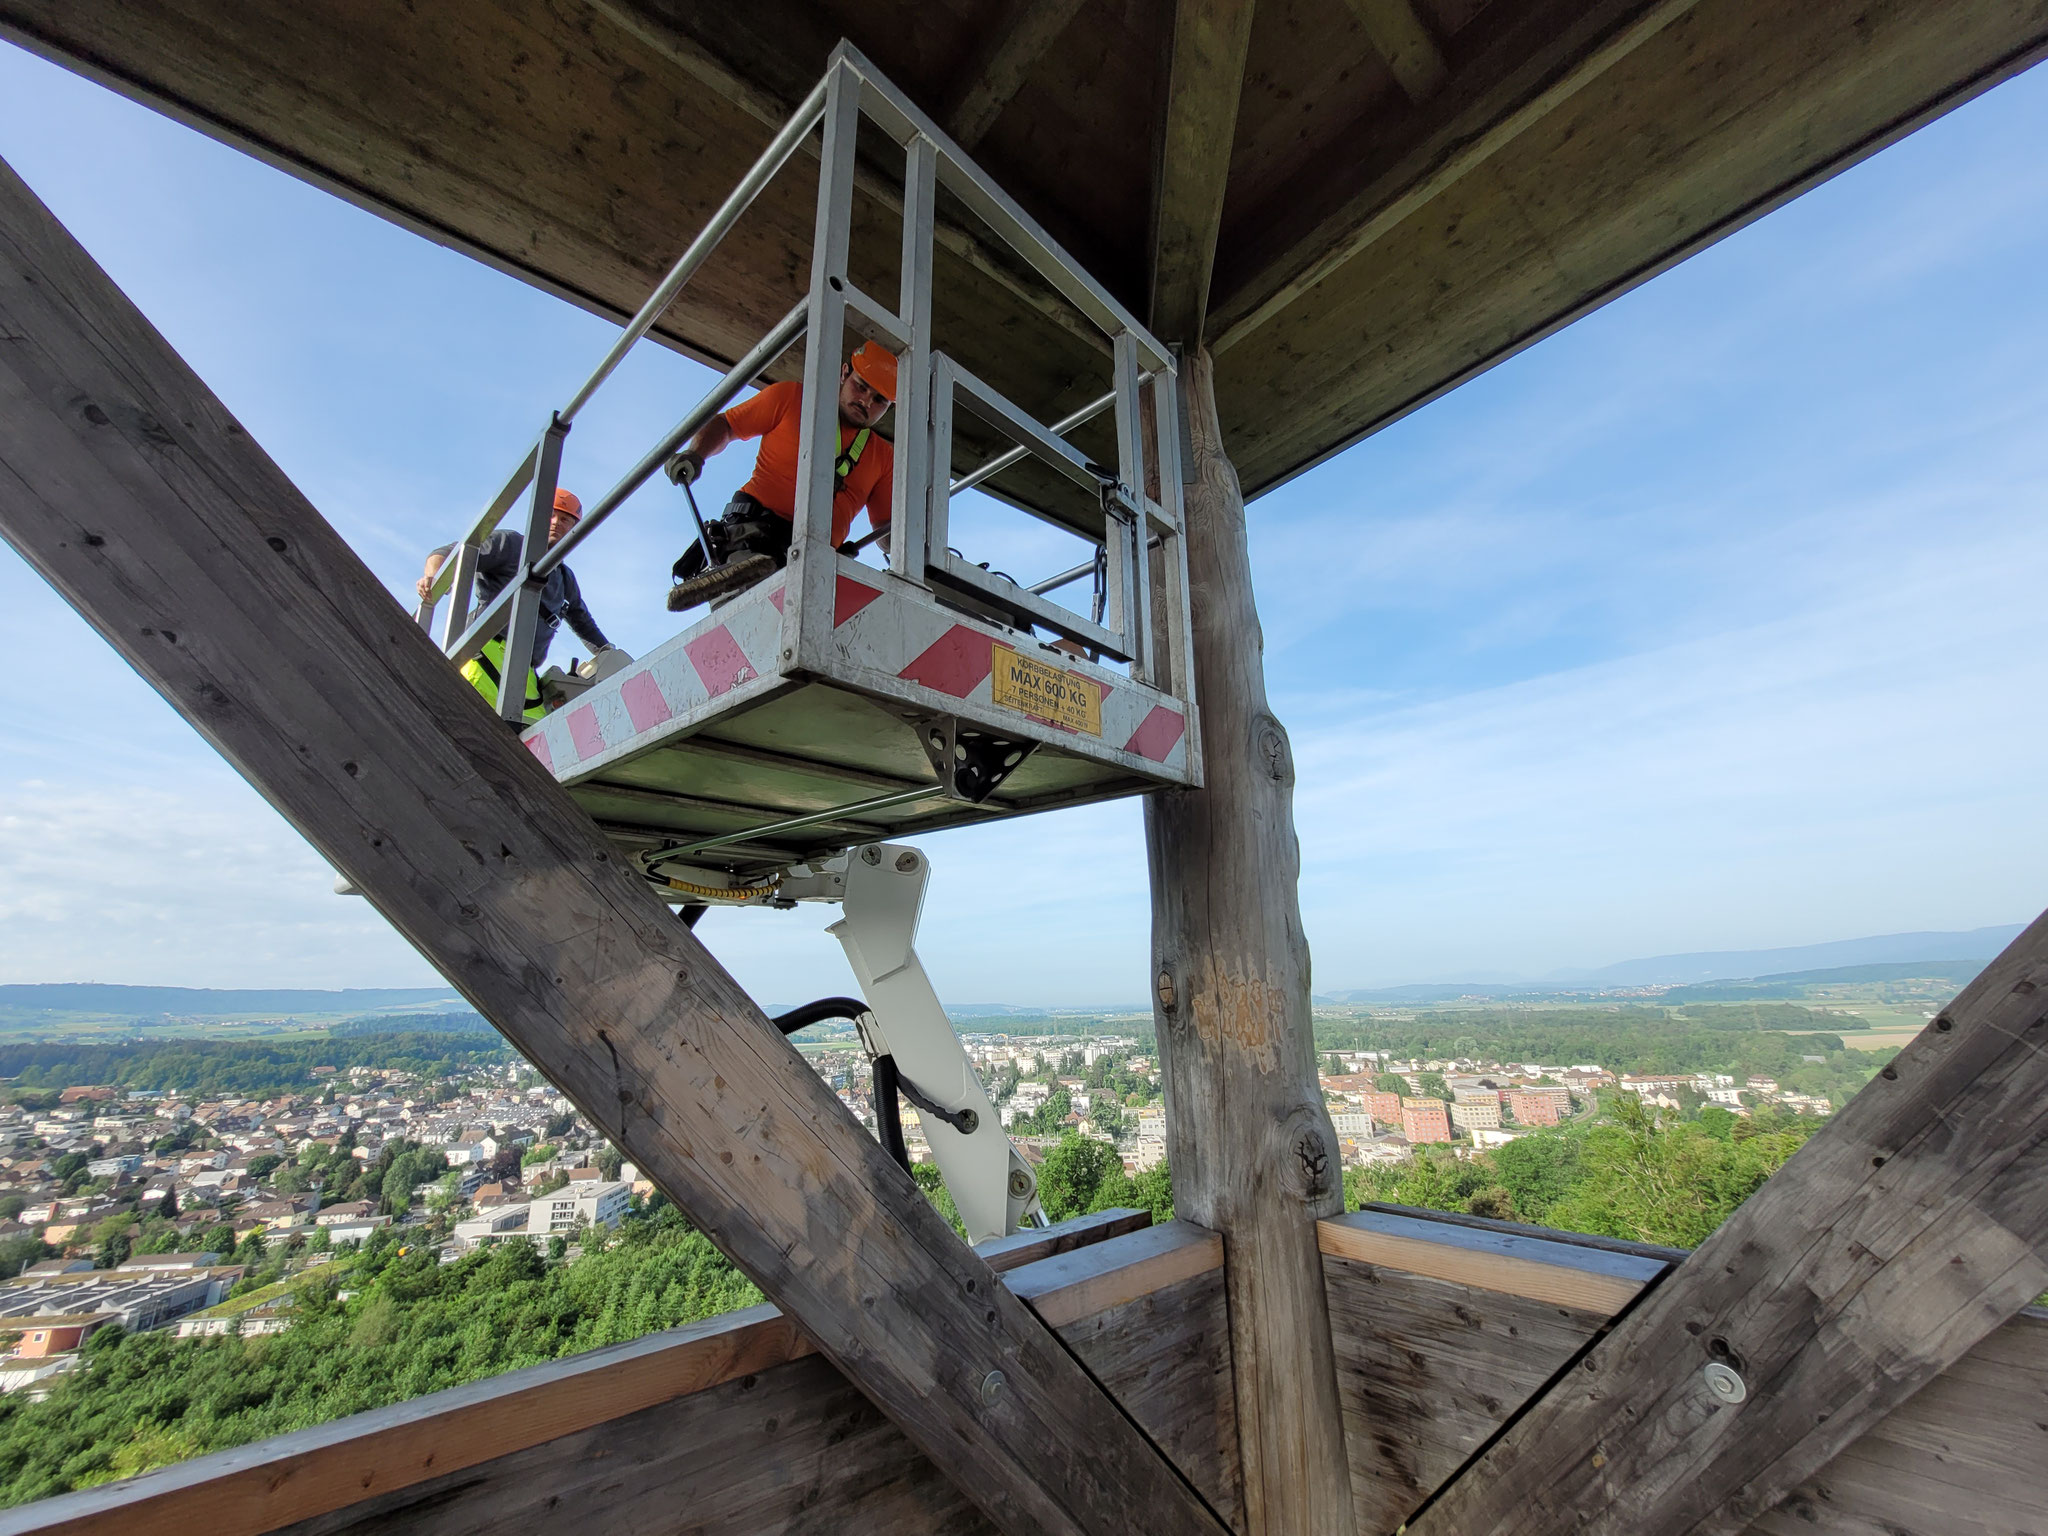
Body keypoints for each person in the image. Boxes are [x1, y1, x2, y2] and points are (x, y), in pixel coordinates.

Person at [663, 340, 896, 609]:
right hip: (753, 534)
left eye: (879, 399)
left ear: (889, 407)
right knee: (752, 582)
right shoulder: (791, 399)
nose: (865, 400)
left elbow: (886, 530)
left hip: (813, 562)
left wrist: (910, 541)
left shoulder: (883, 457)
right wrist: (695, 455)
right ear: (844, 373)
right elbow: (727, 425)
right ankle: (732, 577)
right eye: (861, 385)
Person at [417, 488, 616, 721]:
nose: (556, 523)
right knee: (467, 723)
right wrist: (434, 577)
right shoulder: (512, 545)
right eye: (551, 515)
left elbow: (584, 623)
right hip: (485, 652)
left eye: (564, 519)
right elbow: (448, 553)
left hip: (525, 671)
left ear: (573, 529)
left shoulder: (565, 578)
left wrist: (612, 657)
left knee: (532, 741)